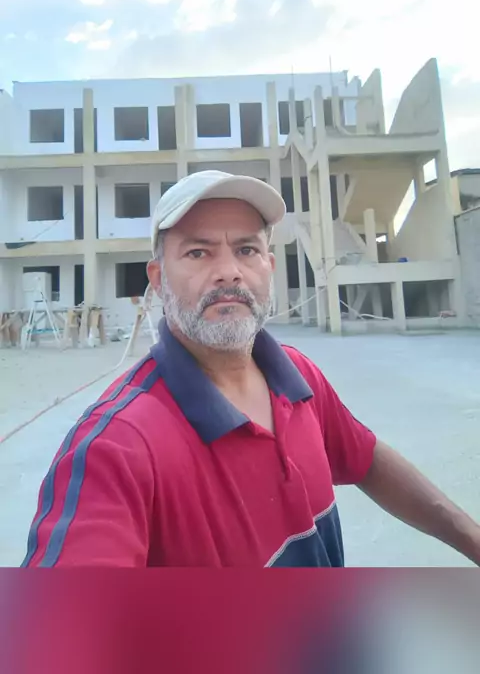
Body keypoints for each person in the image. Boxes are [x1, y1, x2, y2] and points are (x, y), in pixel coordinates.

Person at [22, 170, 480, 567]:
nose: (229, 272)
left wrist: (470, 538)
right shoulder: (115, 447)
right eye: (198, 252)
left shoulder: (299, 378)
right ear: (158, 279)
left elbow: (366, 459)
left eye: (246, 249)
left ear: (269, 266)